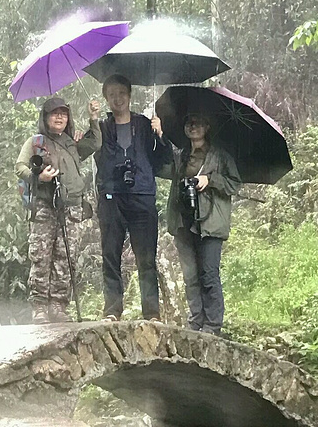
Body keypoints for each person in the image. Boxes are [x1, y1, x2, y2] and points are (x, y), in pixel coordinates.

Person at [15, 97, 101, 324]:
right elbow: (20, 167)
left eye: (63, 113)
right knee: (41, 256)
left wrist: (93, 118)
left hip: (71, 207)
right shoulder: (35, 142)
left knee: (66, 257)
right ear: (45, 118)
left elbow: (95, 144)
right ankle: (40, 307)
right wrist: (39, 177)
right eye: (54, 113)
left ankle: (58, 306)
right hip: (44, 207)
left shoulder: (72, 142)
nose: (60, 117)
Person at [95, 74, 171, 322]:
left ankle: (151, 313)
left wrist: (160, 135)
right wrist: (91, 122)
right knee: (110, 255)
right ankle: (112, 310)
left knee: (146, 257)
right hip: (111, 196)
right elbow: (87, 151)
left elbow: (163, 160)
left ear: (129, 95)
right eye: (111, 95)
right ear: (106, 99)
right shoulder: (102, 128)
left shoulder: (145, 125)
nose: (117, 98)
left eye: (121, 93)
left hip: (142, 194)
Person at [160, 113, 241, 336]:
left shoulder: (220, 155)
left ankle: (212, 325)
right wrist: (159, 136)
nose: (193, 127)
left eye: (198, 123)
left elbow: (235, 184)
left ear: (207, 126)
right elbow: (162, 168)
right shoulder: (181, 156)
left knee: (209, 274)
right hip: (183, 222)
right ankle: (196, 322)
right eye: (189, 123)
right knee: (190, 276)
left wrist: (210, 179)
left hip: (210, 223)